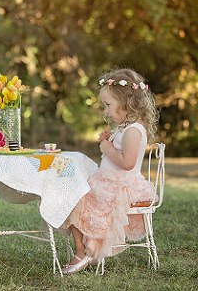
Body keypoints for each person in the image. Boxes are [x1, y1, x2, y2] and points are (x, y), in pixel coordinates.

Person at [61, 67, 160, 274]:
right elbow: (120, 153)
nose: (105, 111)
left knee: (77, 199)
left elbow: (127, 163)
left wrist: (106, 148)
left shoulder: (134, 130)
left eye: (108, 105)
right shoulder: (126, 128)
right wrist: (110, 141)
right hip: (110, 181)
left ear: (126, 103)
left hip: (122, 187)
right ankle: (85, 249)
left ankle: (83, 252)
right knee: (72, 196)